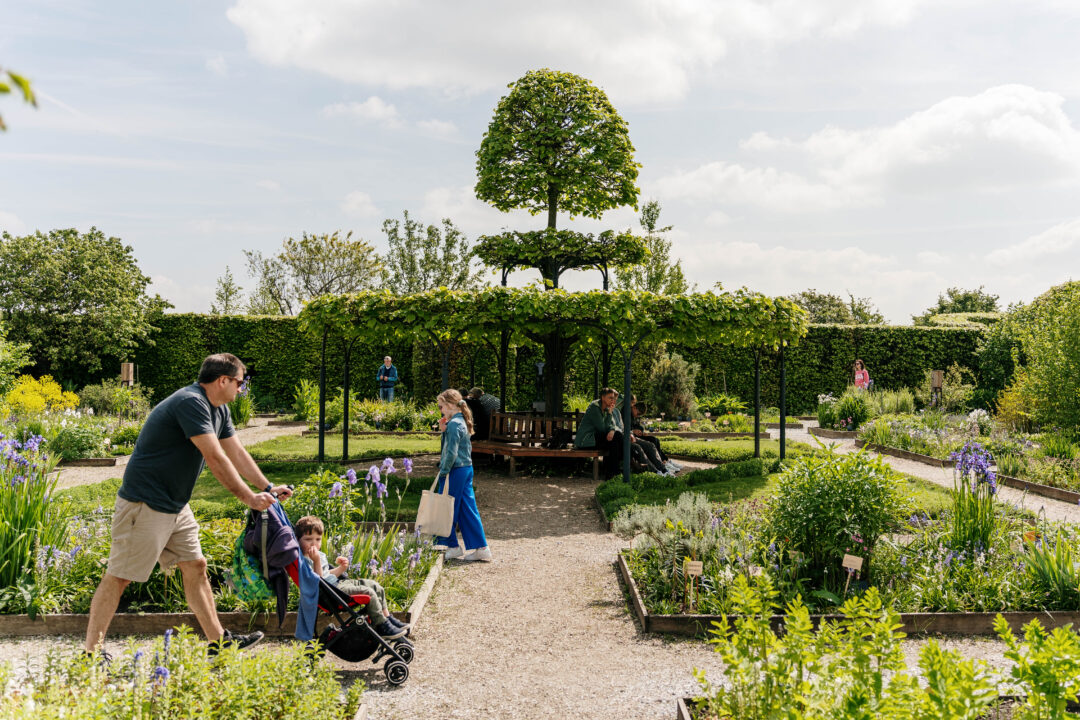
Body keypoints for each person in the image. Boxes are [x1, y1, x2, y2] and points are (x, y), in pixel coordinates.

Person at [84, 353, 293, 658]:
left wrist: (267, 487)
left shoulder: (219, 410)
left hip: (175, 505)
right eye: (239, 382)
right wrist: (249, 498)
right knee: (120, 576)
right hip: (146, 503)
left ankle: (218, 641)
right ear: (222, 380)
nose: (241, 389)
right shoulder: (191, 402)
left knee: (196, 566)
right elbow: (215, 458)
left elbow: (235, 453)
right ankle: (92, 652)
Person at [296, 515, 408, 640]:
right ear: (298, 540)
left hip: (337, 585)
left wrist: (341, 569)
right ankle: (382, 625)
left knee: (375, 586)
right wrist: (316, 560)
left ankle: (387, 618)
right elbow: (318, 580)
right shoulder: (305, 560)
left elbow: (327, 575)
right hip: (331, 593)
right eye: (308, 539)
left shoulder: (318, 555)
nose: (314, 543)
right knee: (368, 592)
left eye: (318, 539)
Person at [435, 389, 492, 562]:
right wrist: (444, 430)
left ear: (450, 405)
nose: (441, 410)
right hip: (466, 468)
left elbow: (451, 453)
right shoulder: (460, 421)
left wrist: (443, 472)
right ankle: (481, 547)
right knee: (467, 509)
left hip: (456, 470)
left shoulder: (453, 424)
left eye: (441, 406)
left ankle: (452, 546)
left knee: (447, 508)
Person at [575, 389, 666, 477]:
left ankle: (656, 469)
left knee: (627, 442)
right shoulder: (595, 408)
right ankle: (637, 467)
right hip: (587, 440)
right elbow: (602, 428)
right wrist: (612, 425)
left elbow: (610, 425)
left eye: (614, 398)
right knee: (623, 440)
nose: (613, 400)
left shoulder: (608, 408)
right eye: (610, 398)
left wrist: (613, 430)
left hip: (601, 437)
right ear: (603, 397)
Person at [631, 400, 682, 475]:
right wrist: (633, 431)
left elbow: (639, 426)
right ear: (634, 408)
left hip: (635, 435)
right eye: (638, 414)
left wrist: (641, 431)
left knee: (655, 440)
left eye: (640, 415)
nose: (638, 415)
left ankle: (664, 461)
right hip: (632, 436)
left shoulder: (633, 416)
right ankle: (662, 463)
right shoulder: (627, 414)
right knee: (652, 441)